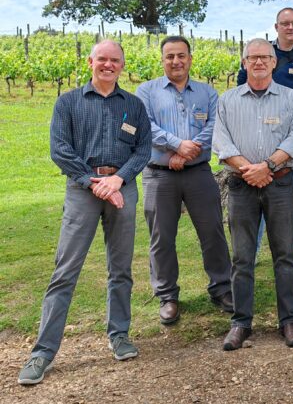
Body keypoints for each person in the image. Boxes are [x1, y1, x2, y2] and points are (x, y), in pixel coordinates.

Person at [19, 40, 151, 386]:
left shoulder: (134, 106)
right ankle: (43, 352)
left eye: (115, 61)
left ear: (123, 65)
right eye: (102, 59)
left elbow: (143, 150)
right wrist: (95, 184)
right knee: (65, 271)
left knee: (120, 269)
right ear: (91, 62)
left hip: (123, 189)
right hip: (83, 190)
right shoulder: (68, 103)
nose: (108, 65)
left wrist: (119, 180)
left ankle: (119, 335)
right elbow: (59, 150)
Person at [212, 38, 293, 351]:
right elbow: (222, 144)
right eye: (252, 57)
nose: (259, 62)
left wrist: (266, 166)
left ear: (274, 62)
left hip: (280, 184)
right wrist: (249, 170)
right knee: (242, 257)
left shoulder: (291, 98)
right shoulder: (227, 101)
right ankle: (241, 322)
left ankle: (288, 320)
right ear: (244, 63)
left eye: (265, 57)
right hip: (241, 186)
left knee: (285, 255)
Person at [136, 36, 233, 326]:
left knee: (213, 232)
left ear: (190, 58)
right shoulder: (146, 92)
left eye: (181, 56)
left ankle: (222, 288)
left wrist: (186, 153)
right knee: (161, 237)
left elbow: (215, 126)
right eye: (170, 57)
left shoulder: (207, 93)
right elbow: (146, 127)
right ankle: (167, 296)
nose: (176, 61)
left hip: (198, 173)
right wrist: (178, 145)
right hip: (158, 174)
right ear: (162, 60)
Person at [239, 7, 293, 274]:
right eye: (285, 23)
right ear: (276, 27)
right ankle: (250, 251)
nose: (290, 27)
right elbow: (241, 94)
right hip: (260, 138)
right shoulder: (261, 55)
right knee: (257, 191)